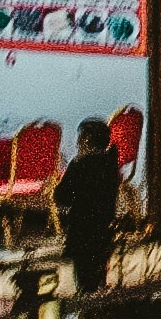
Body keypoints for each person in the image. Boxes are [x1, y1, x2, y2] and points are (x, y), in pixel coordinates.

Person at [51, 116, 126, 295]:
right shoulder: (110, 163)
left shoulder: (80, 165)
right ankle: (98, 290)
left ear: (85, 141)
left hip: (82, 227)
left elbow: (62, 196)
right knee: (99, 265)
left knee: (83, 271)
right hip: (102, 226)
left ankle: (87, 295)